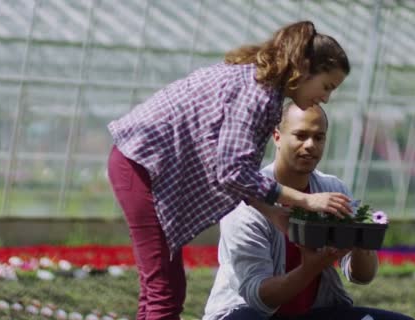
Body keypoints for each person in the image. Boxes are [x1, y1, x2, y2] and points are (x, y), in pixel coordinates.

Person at [107, 21, 353, 320]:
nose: (326, 98)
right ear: (304, 68)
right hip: (141, 164)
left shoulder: (262, 88)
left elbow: (237, 171)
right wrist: (304, 200)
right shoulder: (257, 93)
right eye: (326, 86)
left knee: (162, 288)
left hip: (140, 166)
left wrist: (273, 212)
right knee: (165, 291)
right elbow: (232, 171)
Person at [203, 103, 414, 320]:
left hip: (315, 312)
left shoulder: (333, 190)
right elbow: (259, 298)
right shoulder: (249, 202)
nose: (310, 145)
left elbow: (362, 276)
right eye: (300, 135)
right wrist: (310, 268)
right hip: (248, 313)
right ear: (277, 137)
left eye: (319, 137)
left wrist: (362, 242)